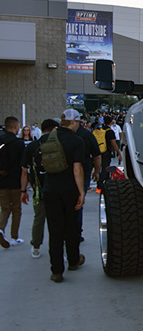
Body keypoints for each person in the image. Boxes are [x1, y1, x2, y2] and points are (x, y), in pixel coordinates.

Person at [44, 110, 87, 282]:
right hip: (69, 190)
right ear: (73, 122)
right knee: (71, 227)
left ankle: (56, 271)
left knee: (54, 231)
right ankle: (73, 260)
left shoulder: (48, 138)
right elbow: (77, 169)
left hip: (50, 189)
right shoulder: (77, 141)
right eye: (79, 122)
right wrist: (82, 191)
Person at [20, 119, 60, 258]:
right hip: (56, 188)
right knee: (56, 221)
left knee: (38, 218)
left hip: (38, 189)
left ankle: (36, 247)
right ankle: (59, 251)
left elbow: (24, 171)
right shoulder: (57, 145)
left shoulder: (32, 146)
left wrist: (23, 191)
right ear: (54, 128)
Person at [0, 116, 26, 248]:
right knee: (16, 209)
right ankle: (14, 236)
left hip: (1, 181)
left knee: (5, 208)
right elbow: (23, 165)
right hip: (15, 180)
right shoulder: (18, 143)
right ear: (16, 127)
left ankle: (1, 228)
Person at [93, 118, 121, 192]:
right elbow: (113, 143)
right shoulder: (110, 132)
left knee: (100, 168)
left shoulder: (100, 130)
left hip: (98, 151)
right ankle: (100, 184)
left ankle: (104, 184)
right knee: (105, 169)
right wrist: (118, 153)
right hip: (106, 152)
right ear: (111, 121)